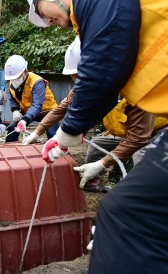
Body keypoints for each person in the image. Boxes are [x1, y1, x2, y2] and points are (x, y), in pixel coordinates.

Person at [27, 0, 168, 274]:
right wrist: (46, 132)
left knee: (126, 210)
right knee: (126, 209)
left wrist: (73, 136)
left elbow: (103, 68)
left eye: (41, 13)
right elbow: (76, 100)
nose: (46, 22)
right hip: (120, 131)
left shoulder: (100, 5)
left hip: (154, 132)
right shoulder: (94, 20)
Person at [23, 37, 155, 192]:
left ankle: (144, 200)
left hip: (154, 132)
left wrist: (102, 163)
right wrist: (37, 132)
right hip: (121, 130)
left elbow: (138, 137)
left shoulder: (137, 86)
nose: (75, 79)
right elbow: (62, 109)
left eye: (78, 74)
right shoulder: (86, 85)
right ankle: (91, 179)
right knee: (97, 145)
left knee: (142, 162)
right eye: (73, 75)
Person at [4, 54, 59, 142]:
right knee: (12, 129)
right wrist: (15, 110)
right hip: (28, 112)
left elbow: (37, 105)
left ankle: (58, 153)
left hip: (47, 112)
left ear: (25, 72)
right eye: (12, 78)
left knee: (53, 134)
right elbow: (13, 98)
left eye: (17, 77)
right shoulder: (12, 82)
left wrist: (25, 120)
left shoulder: (37, 82)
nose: (14, 80)